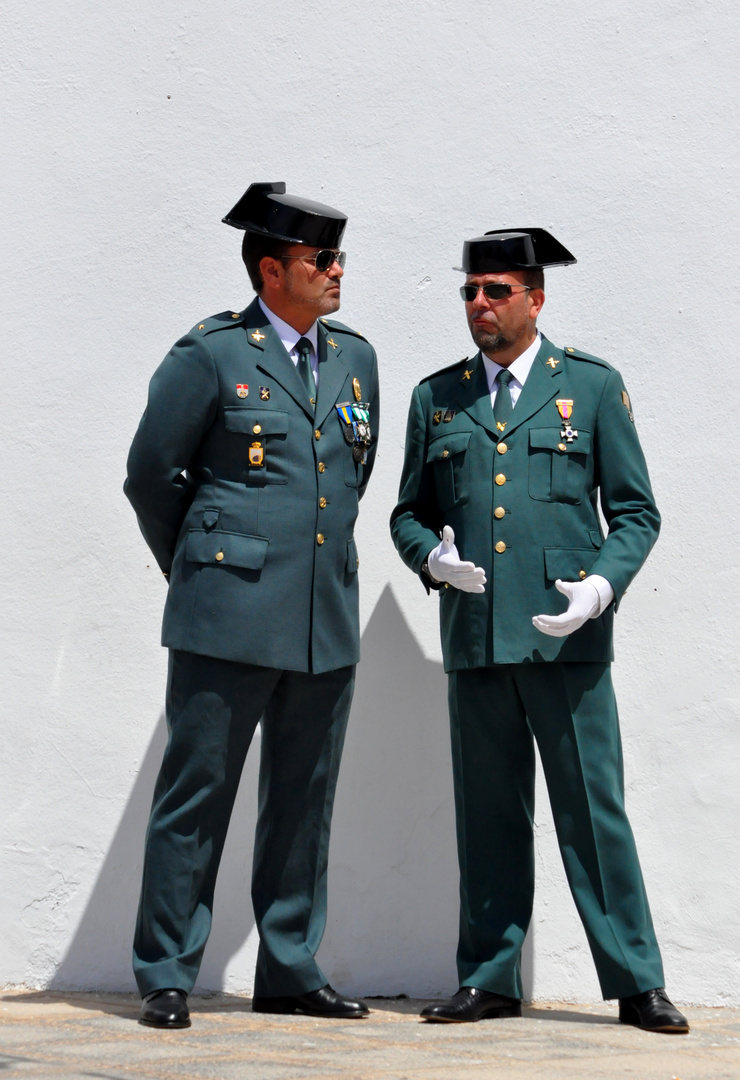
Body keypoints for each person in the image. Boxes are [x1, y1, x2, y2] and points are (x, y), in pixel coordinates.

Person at [390, 228, 688, 1034]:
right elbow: (408, 513)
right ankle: (489, 978)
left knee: (594, 813)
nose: (478, 305)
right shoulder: (437, 397)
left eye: (495, 291)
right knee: (488, 816)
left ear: (535, 298)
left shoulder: (589, 388)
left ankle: (636, 980)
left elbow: (634, 511)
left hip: (568, 643)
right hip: (478, 635)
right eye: (468, 292)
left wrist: (600, 587)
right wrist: (431, 560)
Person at [125, 182, 379, 1029]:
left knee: (305, 804)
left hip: (321, 616)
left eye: (338, 257)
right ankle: (165, 969)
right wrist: (201, 569)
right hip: (225, 615)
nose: (338, 271)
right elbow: (151, 477)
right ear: (273, 271)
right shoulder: (210, 354)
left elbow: (349, 477)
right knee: (196, 796)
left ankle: (292, 967)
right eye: (321, 260)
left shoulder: (355, 359)